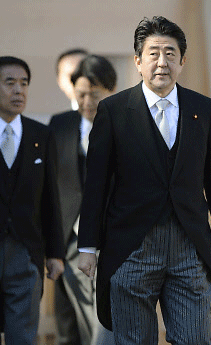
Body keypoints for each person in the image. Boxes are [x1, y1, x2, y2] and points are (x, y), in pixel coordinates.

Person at [77, 16, 211, 344]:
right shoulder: (113, 111)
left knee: (196, 339)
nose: (161, 62)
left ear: (182, 61)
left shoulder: (203, 109)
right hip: (130, 247)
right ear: (138, 62)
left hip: (189, 248)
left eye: (170, 53)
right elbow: (96, 184)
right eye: (153, 54)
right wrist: (87, 246)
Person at [50, 55, 116, 345]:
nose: (87, 102)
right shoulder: (60, 125)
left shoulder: (127, 124)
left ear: (111, 90)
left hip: (114, 237)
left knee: (106, 318)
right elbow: (50, 186)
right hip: (72, 240)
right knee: (79, 319)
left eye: (95, 94)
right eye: (81, 95)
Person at [0, 56, 65, 344]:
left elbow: (50, 197)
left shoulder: (41, 135)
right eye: (9, 83)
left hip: (26, 251)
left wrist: (55, 252)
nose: (19, 91)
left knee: (23, 334)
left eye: (24, 83)